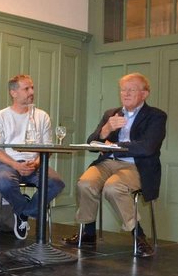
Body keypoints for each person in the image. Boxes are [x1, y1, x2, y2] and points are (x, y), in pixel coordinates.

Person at [62, 73, 166, 257]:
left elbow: (148, 147)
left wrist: (115, 147)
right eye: (123, 89)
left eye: (131, 89)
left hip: (136, 166)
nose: (125, 93)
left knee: (113, 188)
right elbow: (92, 143)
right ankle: (88, 232)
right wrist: (106, 129)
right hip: (107, 162)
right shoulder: (111, 114)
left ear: (145, 94)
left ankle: (138, 236)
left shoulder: (156, 116)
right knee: (85, 183)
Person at [0, 74, 65, 240]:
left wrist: (36, 163)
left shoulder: (42, 116)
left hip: (35, 163)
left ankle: (23, 212)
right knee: (3, 181)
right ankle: (26, 208)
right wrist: (16, 165)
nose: (31, 92)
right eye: (26, 88)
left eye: (32, 88)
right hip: (8, 162)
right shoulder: (0, 116)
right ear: (13, 93)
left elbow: (48, 147)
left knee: (56, 183)